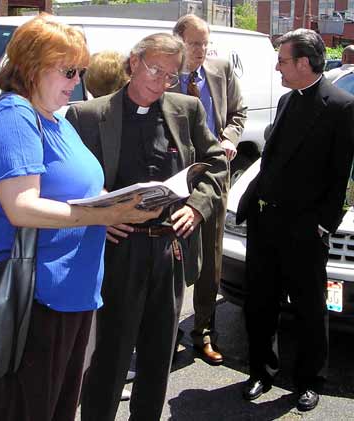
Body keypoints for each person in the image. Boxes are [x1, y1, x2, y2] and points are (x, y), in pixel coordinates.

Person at [0, 14, 160, 421]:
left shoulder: (54, 116)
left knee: (57, 409)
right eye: (68, 70)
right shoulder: (15, 116)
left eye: (81, 71)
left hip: (68, 291)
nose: (77, 81)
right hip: (33, 299)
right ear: (32, 66)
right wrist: (105, 212)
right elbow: (21, 207)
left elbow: (79, 189)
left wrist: (120, 201)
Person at [66, 32, 228, 421]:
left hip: (169, 248)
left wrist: (198, 207)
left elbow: (216, 166)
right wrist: (97, 215)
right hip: (117, 249)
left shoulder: (186, 110)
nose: (161, 81)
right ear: (134, 62)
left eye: (171, 75)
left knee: (158, 357)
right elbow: (67, 178)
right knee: (110, 356)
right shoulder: (88, 116)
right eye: (155, 69)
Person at [236, 28, 354, 412]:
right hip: (265, 223)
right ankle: (260, 372)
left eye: (283, 60)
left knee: (309, 308)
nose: (277, 67)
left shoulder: (340, 106)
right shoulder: (286, 99)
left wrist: (323, 225)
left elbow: (340, 176)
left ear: (304, 63)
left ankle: (308, 380)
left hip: (304, 230)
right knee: (260, 304)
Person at [171, 13, 247, 365]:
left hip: (214, 174)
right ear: (178, 41)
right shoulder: (165, 77)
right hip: (173, 178)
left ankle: (204, 330)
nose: (201, 50)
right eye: (194, 43)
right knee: (170, 255)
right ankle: (166, 332)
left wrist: (229, 140)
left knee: (210, 256)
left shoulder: (220, 71)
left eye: (205, 43)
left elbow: (238, 114)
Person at [82, 48, 133, 403]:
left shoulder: (81, 115)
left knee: (102, 307)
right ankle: (107, 371)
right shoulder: (90, 117)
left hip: (103, 227)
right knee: (111, 308)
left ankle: (99, 370)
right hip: (112, 227)